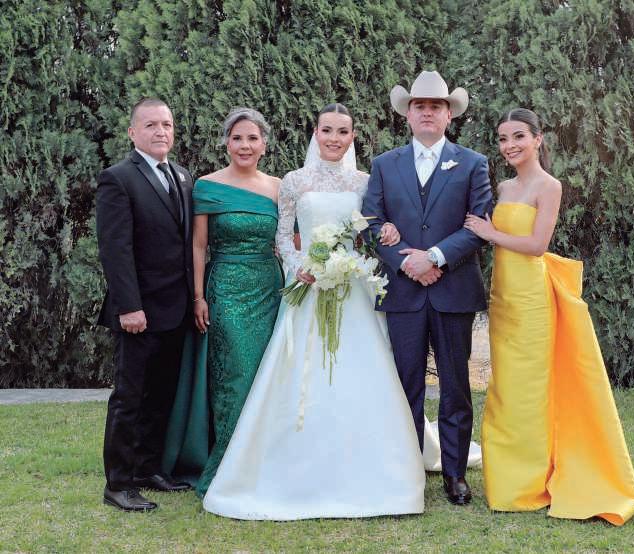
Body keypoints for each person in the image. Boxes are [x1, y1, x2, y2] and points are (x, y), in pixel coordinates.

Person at [201, 103, 426, 520]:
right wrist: (300, 266)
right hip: (306, 286)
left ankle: (372, 469)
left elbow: (373, 230)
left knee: (359, 372)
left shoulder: (364, 182)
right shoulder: (294, 181)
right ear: (315, 133)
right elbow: (282, 236)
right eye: (327, 130)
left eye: (342, 132)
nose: (334, 139)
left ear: (352, 137)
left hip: (352, 288)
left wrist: (386, 234)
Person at [464, 107, 634, 524]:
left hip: (531, 298)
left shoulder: (549, 186)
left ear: (538, 139)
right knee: (505, 389)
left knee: (528, 391)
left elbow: (536, 245)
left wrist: (490, 233)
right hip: (503, 297)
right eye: (503, 138)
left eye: (518, 137)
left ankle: (528, 485)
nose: (510, 145)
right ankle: (506, 482)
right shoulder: (504, 186)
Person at [362, 71, 493, 506]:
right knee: (406, 385)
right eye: (419, 106)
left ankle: (455, 474)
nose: (427, 113)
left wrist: (433, 257)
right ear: (408, 114)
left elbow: (478, 226)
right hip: (403, 292)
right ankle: (406, 470)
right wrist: (407, 263)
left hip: (453, 290)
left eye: (436, 106)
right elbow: (371, 224)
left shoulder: (473, 163)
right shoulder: (384, 165)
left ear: (449, 114)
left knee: (455, 385)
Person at [161, 108, 283, 498]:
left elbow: (289, 241)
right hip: (226, 289)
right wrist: (198, 297)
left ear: (264, 145)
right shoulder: (207, 185)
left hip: (270, 288)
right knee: (236, 373)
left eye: (252, 138)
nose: (245, 145)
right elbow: (198, 246)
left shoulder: (280, 188)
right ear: (226, 143)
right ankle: (230, 463)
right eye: (237, 138)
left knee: (267, 372)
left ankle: (265, 459)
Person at [96, 98, 194, 511]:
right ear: (133, 132)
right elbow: (115, 249)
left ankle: (147, 469)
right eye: (151, 124)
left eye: (167, 124)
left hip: (176, 309)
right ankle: (118, 484)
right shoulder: (118, 178)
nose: (161, 131)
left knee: (161, 396)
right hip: (138, 311)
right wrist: (128, 307)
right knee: (130, 397)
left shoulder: (183, 176)